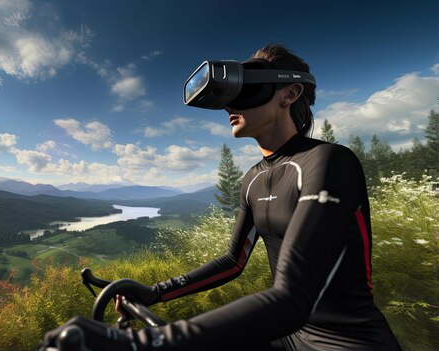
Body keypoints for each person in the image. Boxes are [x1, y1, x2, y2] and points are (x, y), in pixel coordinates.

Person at [40, 44, 402, 350]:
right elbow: (233, 260)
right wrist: (155, 292)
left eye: (244, 92)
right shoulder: (252, 180)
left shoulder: (329, 162)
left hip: (349, 339)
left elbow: (294, 299)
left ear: (289, 94)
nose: (230, 106)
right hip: (289, 335)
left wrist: (141, 343)